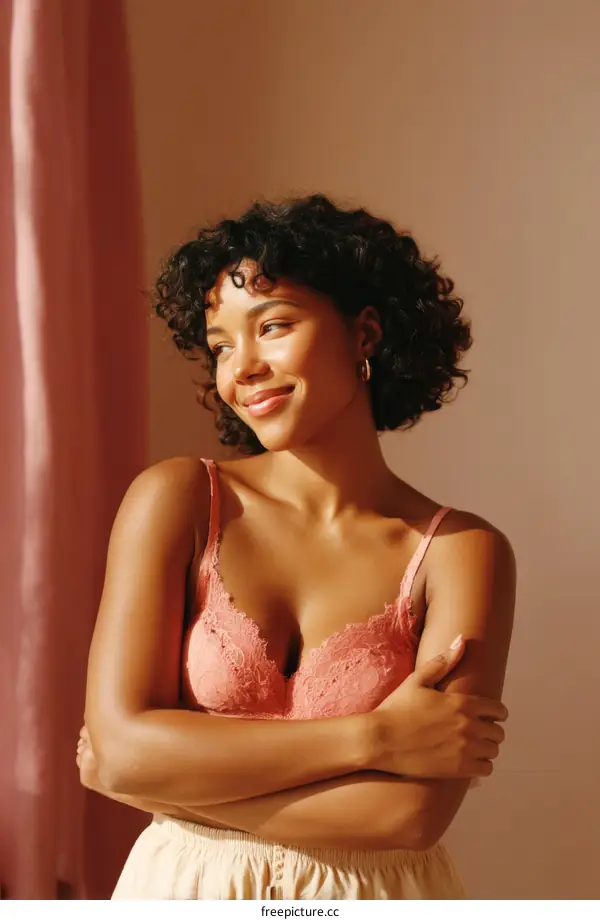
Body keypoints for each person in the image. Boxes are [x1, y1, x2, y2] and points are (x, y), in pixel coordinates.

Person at [77, 193, 516, 899]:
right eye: (221, 345)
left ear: (365, 334)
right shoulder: (179, 501)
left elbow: (409, 815)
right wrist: (374, 740)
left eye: (273, 326)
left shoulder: (461, 551)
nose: (241, 368)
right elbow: (124, 747)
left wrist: (162, 785)